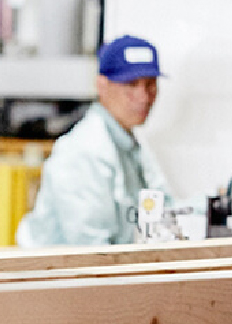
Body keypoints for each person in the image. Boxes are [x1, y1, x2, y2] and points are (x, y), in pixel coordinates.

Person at [16, 34, 172, 247]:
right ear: (102, 86)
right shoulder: (85, 150)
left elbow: (166, 208)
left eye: (150, 84)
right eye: (131, 84)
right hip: (64, 267)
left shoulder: (131, 146)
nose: (144, 97)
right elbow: (91, 248)